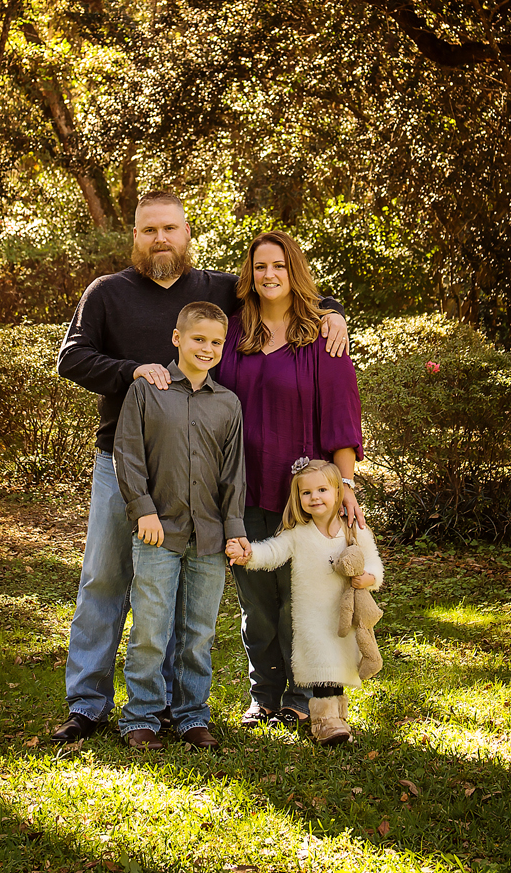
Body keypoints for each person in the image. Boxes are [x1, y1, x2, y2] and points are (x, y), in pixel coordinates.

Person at [50, 193, 350, 743]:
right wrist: (133, 371)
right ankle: (88, 704)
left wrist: (334, 314)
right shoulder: (108, 293)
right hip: (123, 462)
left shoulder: (216, 290)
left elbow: (282, 286)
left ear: (188, 234)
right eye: (148, 230)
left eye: (170, 229)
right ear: (134, 236)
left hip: (197, 473)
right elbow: (72, 356)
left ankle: (169, 705)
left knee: (176, 588)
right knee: (106, 579)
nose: (159, 239)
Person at [219, 230, 364, 730]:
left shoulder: (323, 335)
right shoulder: (232, 334)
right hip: (244, 488)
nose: (269, 275)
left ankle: (302, 698)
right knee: (257, 606)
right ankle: (263, 696)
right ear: (249, 274)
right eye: (260, 266)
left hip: (306, 497)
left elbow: (342, 417)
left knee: (302, 600)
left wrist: (345, 487)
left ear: (293, 270)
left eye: (278, 265)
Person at [112, 301, 247, 751]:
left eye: (215, 342)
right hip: (158, 530)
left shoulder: (228, 404)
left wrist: (234, 528)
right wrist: (142, 508)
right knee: (151, 628)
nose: (207, 348)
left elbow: (233, 472)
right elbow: (127, 452)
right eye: (198, 339)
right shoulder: (148, 391)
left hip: (208, 535)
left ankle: (191, 715)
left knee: (199, 633)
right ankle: (142, 716)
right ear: (177, 339)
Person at [227, 458, 383, 746]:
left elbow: (374, 562)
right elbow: (272, 552)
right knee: (322, 669)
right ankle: (326, 724)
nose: (315, 498)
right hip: (310, 619)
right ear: (297, 498)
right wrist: (247, 555)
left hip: (342, 616)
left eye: (322, 490)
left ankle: (338, 717)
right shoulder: (298, 534)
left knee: (337, 669)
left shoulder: (353, 531)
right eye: (306, 493)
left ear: (338, 491)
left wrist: (368, 578)